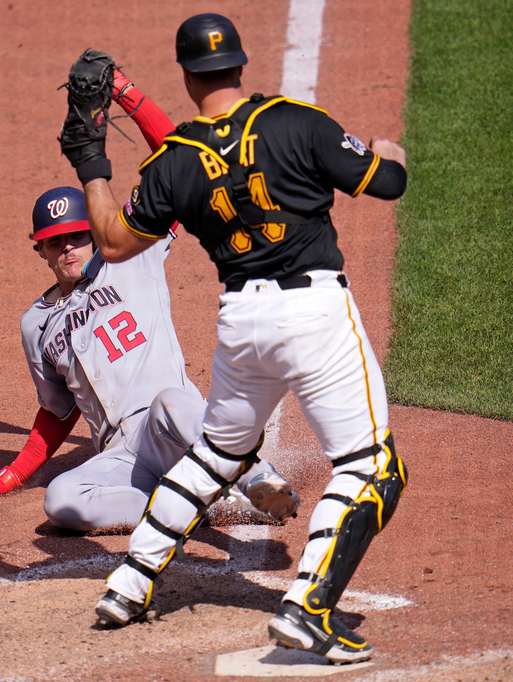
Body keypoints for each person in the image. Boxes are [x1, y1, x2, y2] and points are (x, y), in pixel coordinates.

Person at [62, 14, 409, 664]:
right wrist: (389, 151)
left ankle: (129, 583)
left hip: (242, 326)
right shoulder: (295, 121)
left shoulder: (172, 164)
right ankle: (307, 612)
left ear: (188, 78)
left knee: (216, 457)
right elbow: (387, 183)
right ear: (241, 66)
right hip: (315, 316)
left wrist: (90, 159)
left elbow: (109, 241)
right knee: (372, 466)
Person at [0, 70, 300, 532]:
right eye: (55, 242)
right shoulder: (36, 324)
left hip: (171, 426)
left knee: (170, 400)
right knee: (62, 502)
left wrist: (126, 94)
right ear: (40, 250)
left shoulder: (130, 253)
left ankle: (258, 480)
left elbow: (179, 160)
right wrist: (10, 476)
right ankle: (194, 506)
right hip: (121, 453)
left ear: (94, 233)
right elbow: (56, 413)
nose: (68, 247)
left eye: (77, 236)